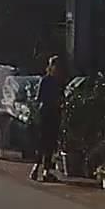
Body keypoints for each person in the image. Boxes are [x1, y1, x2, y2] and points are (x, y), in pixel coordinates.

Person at [30, 55, 67, 183]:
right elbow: (39, 98)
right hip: (45, 113)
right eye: (56, 66)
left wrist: (61, 104)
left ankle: (46, 170)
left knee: (50, 143)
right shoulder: (45, 80)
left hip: (54, 114)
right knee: (43, 142)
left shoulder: (59, 81)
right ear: (51, 67)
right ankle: (36, 168)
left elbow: (62, 97)